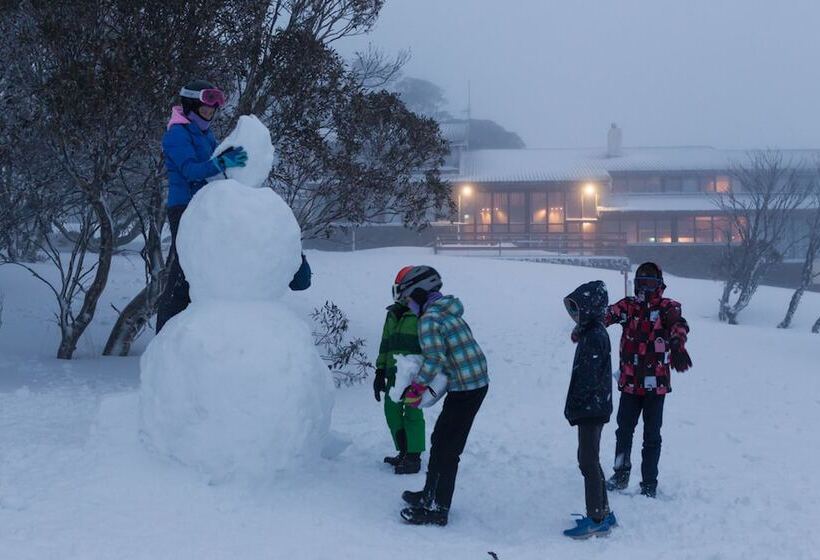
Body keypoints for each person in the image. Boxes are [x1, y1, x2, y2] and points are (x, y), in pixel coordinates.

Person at [398, 266, 489, 526]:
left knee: (447, 449)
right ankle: (430, 494)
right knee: (440, 441)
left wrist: (416, 390)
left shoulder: (429, 319)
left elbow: (434, 358)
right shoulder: (445, 310)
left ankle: (437, 509)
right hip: (473, 384)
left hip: (467, 388)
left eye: (408, 299)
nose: (408, 305)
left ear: (418, 294)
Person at [156, 79, 247, 332]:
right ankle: (165, 334)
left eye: (213, 108)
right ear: (190, 105)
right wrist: (220, 163)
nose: (210, 112)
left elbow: (212, 166)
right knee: (183, 271)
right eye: (205, 107)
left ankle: (190, 330)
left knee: (200, 270)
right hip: (183, 208)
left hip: (202, 208)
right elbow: (190, 170)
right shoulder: (177, 133)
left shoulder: (205, 134)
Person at [601, 262, 691, 498]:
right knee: (624, 431)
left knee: (652, 436)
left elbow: (679, 325)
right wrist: (588, 321)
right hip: (630, 383)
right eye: (642, 283)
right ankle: (621, 474)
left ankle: (649, 483)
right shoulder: (629, 306)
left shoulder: (667, 307)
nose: (646, 288)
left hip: (656, 385)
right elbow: (607, 315)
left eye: (651, 283)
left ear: (659, 285)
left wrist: (677, 342)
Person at [561, 280, 617, 539]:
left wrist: (576, 406)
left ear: (591, 309)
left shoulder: (595, 336)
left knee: (587, 461)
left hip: (591, 409)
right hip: (594, 407)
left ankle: (596, 517)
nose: (575, 315)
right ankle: (603, 510)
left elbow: (588, 378)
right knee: (591, 459)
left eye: (578, 310)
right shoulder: (593, 332)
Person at [373, 267, 427, 475]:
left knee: (413, 413)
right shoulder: (392, 314)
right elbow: (385, 344)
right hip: (394, 375)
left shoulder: (422, 314)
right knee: (392, 411)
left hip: (415, 375)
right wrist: (379, 372)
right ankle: (403, 451)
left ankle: (414, 456)